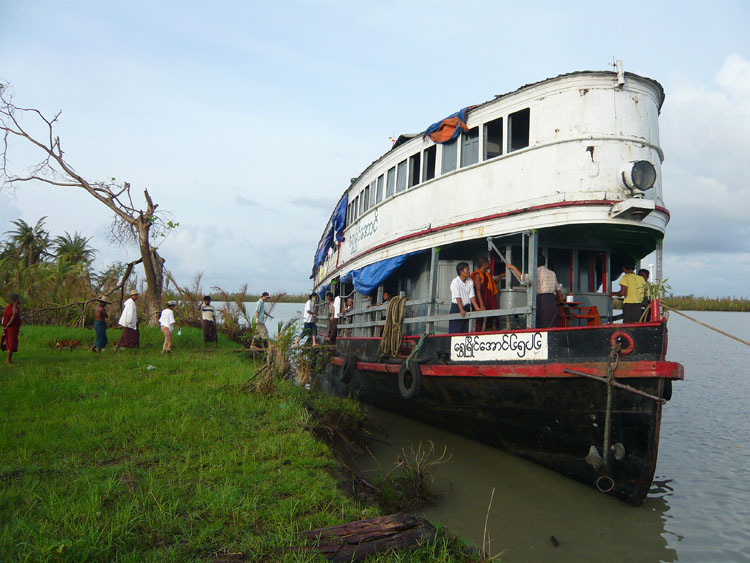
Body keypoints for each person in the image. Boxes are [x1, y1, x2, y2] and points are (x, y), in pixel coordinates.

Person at [507, 255, 562, 328]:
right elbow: (558, 290)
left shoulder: (534, 273)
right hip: (551, 301)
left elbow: (522, 277)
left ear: (535, 263)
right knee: (551, 324)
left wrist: (513, 268)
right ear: (544, 262)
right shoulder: (552, 273)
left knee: (539, 324)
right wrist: (559, 301)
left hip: (540, 300)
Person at [449, 262, 481, 334]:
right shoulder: (455, 282)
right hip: (457, 308)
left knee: (466, 332)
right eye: (467, 269)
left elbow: (472, 296)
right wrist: (461, 310)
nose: (469, 271)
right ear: (461, 271)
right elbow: (457, 297)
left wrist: (477, 308)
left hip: (467, 308)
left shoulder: (470, 281)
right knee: (456, 333)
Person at [471, 257, 501, 331]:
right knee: (481, 320)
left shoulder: (487, 274)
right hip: (482, 299)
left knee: (490, 319)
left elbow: (491, 285)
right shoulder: (478, 275)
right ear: (484, 264)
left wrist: (500, 276)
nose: (489, 265)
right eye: (488, 264)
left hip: (489, 299)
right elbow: (478, 290)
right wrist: (481, 304)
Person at [1, 294, 22, 365]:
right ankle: (8, 360)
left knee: (10, 344)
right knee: (11, 345)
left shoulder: (9, 307)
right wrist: (7, 325)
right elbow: (12, 318)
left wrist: (4, 326)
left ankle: (9, 360)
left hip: (10, 328)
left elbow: (4, 317)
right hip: (11, 329)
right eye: (19, 298)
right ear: (16, 300)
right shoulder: (14, 309)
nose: (20, 300)